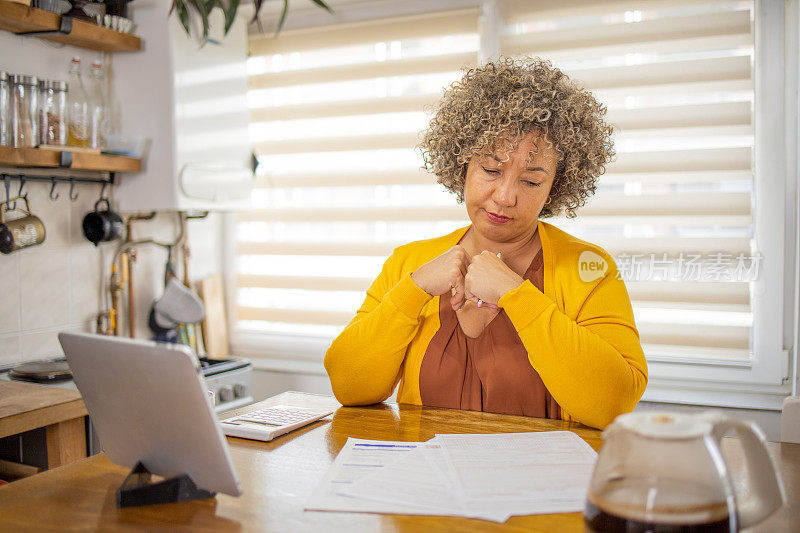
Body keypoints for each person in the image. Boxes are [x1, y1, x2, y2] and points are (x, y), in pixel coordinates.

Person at [324, 57, 647, 429]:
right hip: (424, 480)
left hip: (538, 483)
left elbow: (614, 404)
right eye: (491, 170)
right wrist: (413, 290)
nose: (505, 196)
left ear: (555, 188)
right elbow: (349, 386)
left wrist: (516, 292)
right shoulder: (409, 261)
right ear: (462, 165)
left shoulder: (589, 266)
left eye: (531, 181)